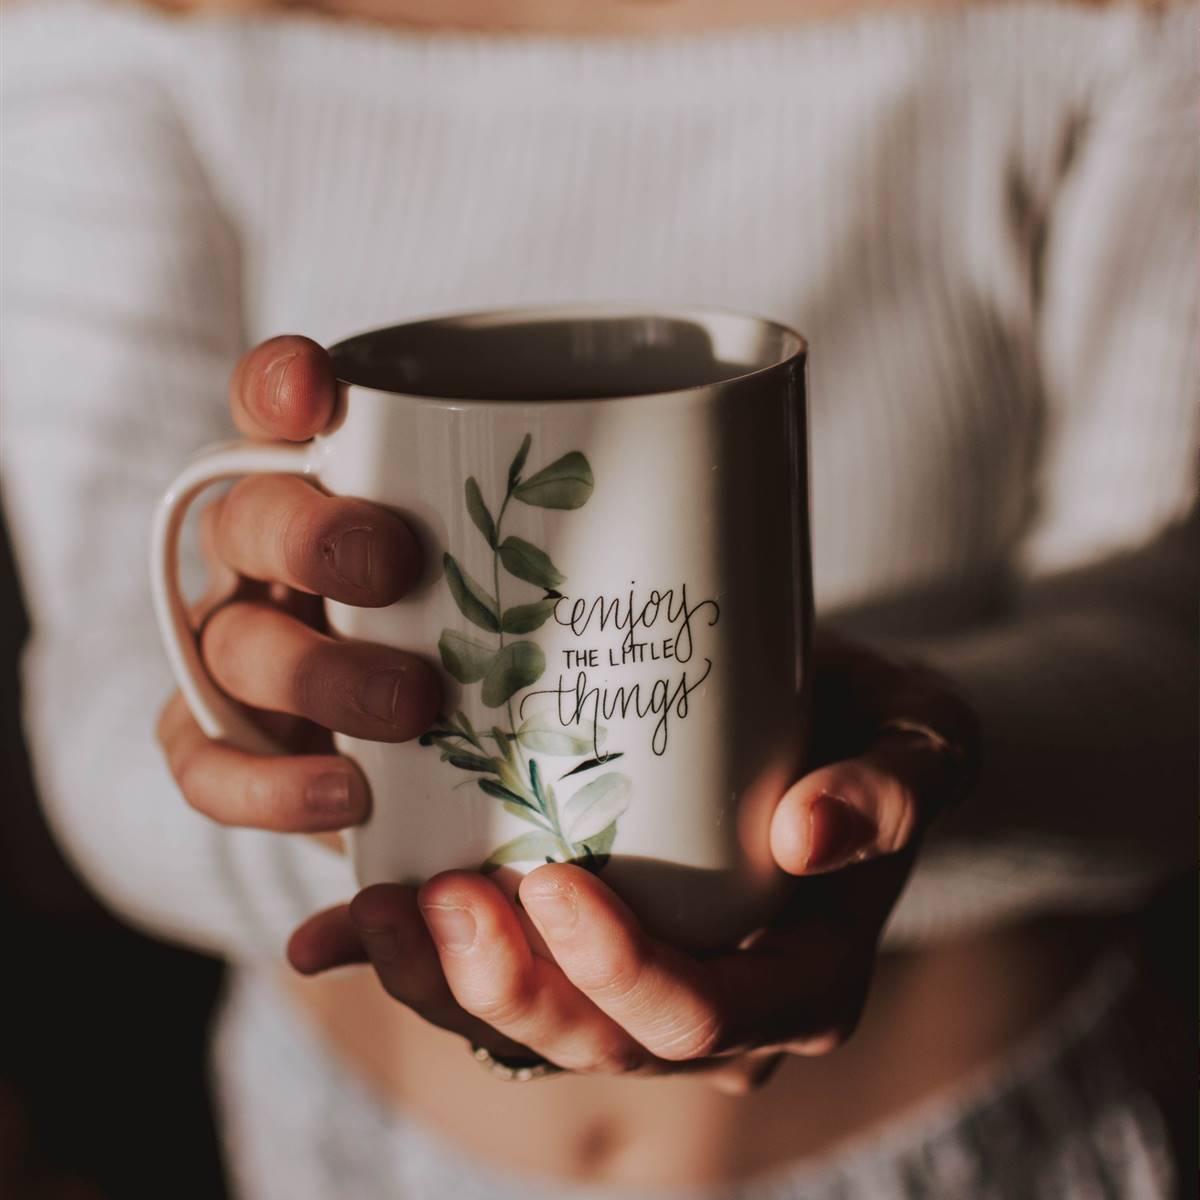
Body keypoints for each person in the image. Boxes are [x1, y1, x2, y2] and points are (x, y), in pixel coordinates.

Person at [3, 0, 1195, 1196]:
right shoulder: (120, 22)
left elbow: (1167, 661)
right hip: (355, 1158)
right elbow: (104, 688)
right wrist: (285, 763)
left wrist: (919, 758)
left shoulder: (1118, 25)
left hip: (987, 1156)